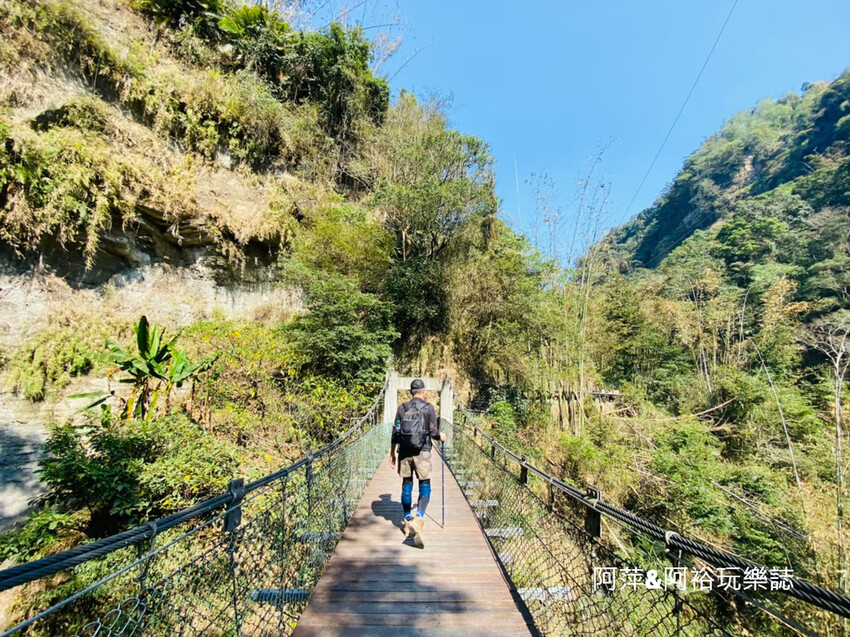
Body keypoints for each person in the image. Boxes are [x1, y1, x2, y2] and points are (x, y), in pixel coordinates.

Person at [389, 378, 446, 547]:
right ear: (423, 392)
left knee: (407, 485)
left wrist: (392, 453)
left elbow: (396, 432)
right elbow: (433, 431)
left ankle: (407, 520)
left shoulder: (402, 408)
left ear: (411, 392)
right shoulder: (428, 408)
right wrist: (440, 437)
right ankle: (419, 517)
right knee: (425, 484)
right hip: (423, 452)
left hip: (405, 452)